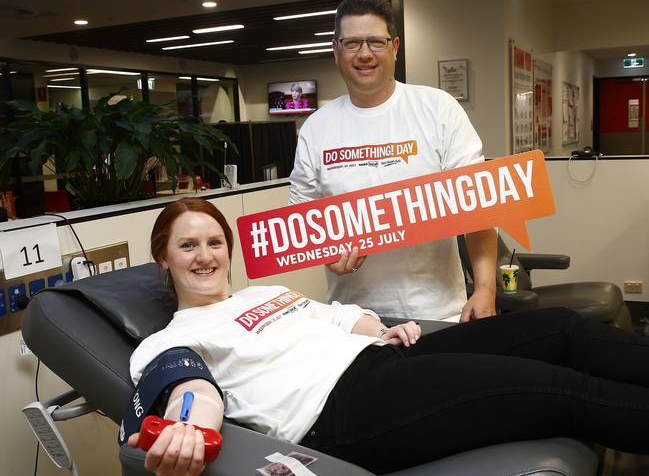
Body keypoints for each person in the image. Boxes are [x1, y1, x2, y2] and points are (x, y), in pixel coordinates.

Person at [129, 197, 649, 476]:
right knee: (557, 389)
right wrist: (188, 431)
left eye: (215, 242)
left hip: (384, 359)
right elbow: (189, 389)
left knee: (559, 328)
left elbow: (333, 315)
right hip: (341, 411)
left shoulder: (261, 294)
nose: (205, 256)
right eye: (188, 245)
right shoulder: (168, 339)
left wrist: (381, 327)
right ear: (164, 258)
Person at [288, 0, 496, 323]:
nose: (365, 54)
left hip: (437, 315)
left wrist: (485, 290)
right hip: (352, 323)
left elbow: (480, 209)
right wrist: (326, 253)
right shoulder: (315, 129)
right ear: (336, 49)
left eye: (376, 42)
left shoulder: (438, 109)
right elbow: (302, 224)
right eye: (353, 43)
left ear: (395, 47)